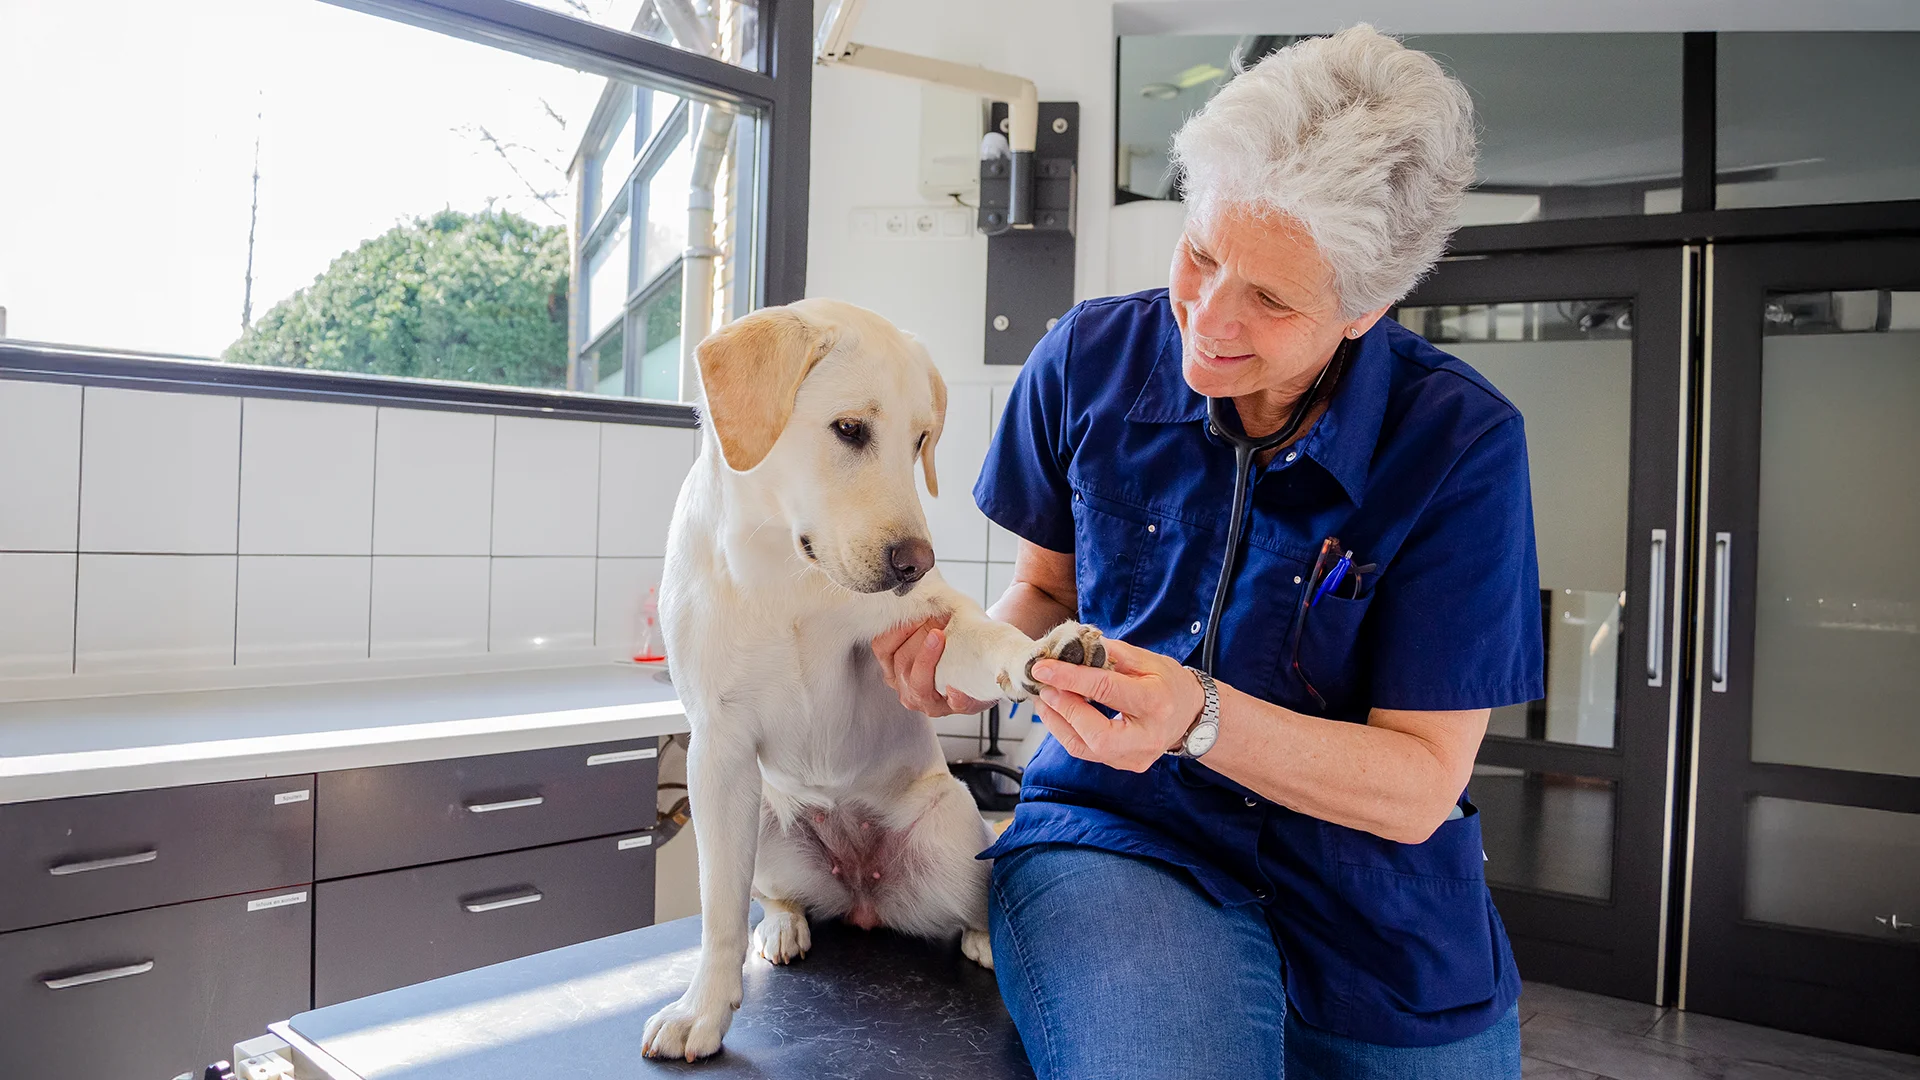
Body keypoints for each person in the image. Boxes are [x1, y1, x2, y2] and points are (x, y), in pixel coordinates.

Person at [872, 24, 1540, 1080]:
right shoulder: (1085, 362)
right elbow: (1047, 588)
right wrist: (982, 664)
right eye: (1202, 254)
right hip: (1123, 839)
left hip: (1381, 903)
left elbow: (1417, 782)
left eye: (1271, 298)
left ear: (1366, 308)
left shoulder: (1461, 446)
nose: (1208, 322)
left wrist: (1198, 717)